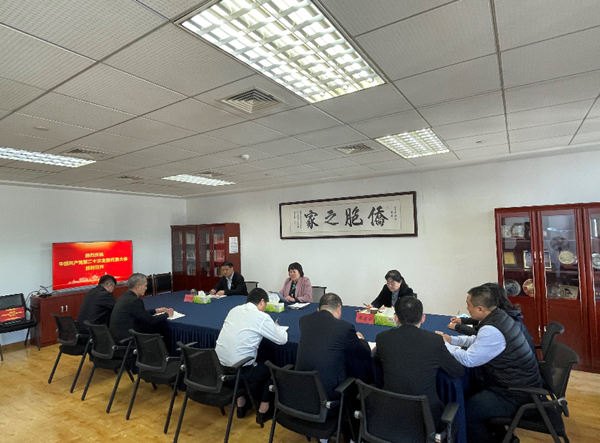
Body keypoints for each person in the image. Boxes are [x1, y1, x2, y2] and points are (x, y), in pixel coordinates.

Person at [436, 285, 542, 443]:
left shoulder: (493, 329)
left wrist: (444, 345)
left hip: (514, 393)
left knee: (466, 412)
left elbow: (468, 359)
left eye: (469, 305)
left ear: (480, 309)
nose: (467, 308)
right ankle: (502, 437)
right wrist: (452, 340)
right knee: (471, 393)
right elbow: (478, 340)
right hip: (513, 383)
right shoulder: (499, 316)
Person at [375, 296, 464, 429]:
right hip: (427, 419)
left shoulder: (382, 338)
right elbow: (457, 371)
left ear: (396, 318)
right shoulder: (434, 341)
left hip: (388, 414)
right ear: (423, 318)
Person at [215, 288, 288, 424]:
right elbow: (282, 339)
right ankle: (263, 409)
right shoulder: (261, 317)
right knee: (271, 367)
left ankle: (241, 404)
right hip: (241, 371)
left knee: (249, 357)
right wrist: (276, 327)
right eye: (265, 305)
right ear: (262, 302)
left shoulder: (234, 310)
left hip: (220, 368)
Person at [295, 292, 372, 400]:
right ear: (339, 308)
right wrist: (361, 339)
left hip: (300, 384)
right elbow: (363, 351)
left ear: (319, 309)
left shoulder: (304, 320)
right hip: (327, 391)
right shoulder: (344, 327)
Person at [448, 282, 535, 353]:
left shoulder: (504, 320)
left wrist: (457, 327)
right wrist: (463, 321)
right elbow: (480, 322)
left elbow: (480, 336)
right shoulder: (504, 313)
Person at [109, 273, 173, 342]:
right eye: (145, 285)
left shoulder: (126, 296)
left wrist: (156, 310)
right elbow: (151, 320)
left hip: (117, 336)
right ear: (138, 286)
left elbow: (141, 313)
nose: (146, 288)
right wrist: (167, 314)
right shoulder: (134, 300)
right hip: (127, 339)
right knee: (158, 328)